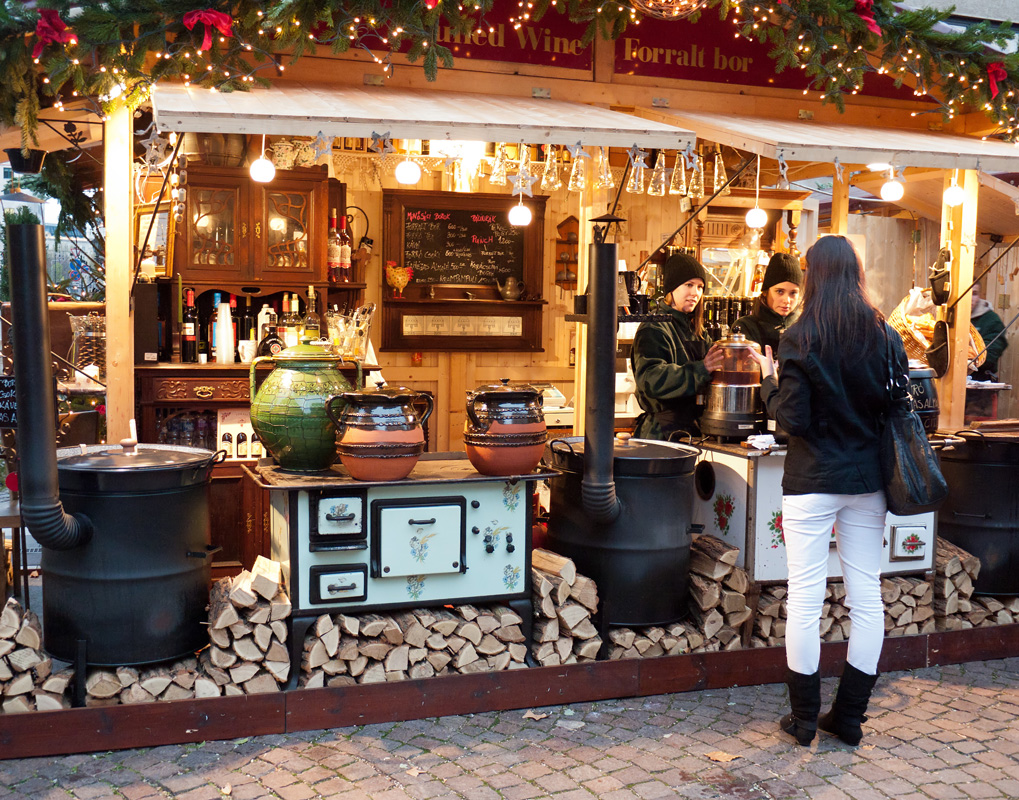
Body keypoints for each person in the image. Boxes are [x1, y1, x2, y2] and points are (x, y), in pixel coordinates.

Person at [749, 235, 908, 748]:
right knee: (866, 599)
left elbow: (790, 417)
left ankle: (802, 720)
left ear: (812, 276)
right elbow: (898, 403)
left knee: (805, 598)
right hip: (867, 481)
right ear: (855, 273)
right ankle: (850, 718)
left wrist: (768, 381)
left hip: (813, 481)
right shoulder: (885, 333)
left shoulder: (801, 335)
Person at [631, 253, 723, 440]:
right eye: (688, 285)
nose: (695, 293)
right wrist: (701, 369)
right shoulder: (654, 326)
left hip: (693, 430)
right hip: (661, 434)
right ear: (671, 288)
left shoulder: (697, 330)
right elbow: (651, 379)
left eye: (700, 287)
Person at [731, 252, 803, 353]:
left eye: (793, 293)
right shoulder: (746, 327)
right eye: (780, 291)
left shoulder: (806, 327)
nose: (787, 300)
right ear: (765, 292)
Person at [970, 281, 1008, 381]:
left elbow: (988, 357)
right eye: (966, 294)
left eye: (974, 293)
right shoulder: (949, 317)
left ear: (979, 296)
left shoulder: (992, 320)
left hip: (980, 384)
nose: (970, 298)